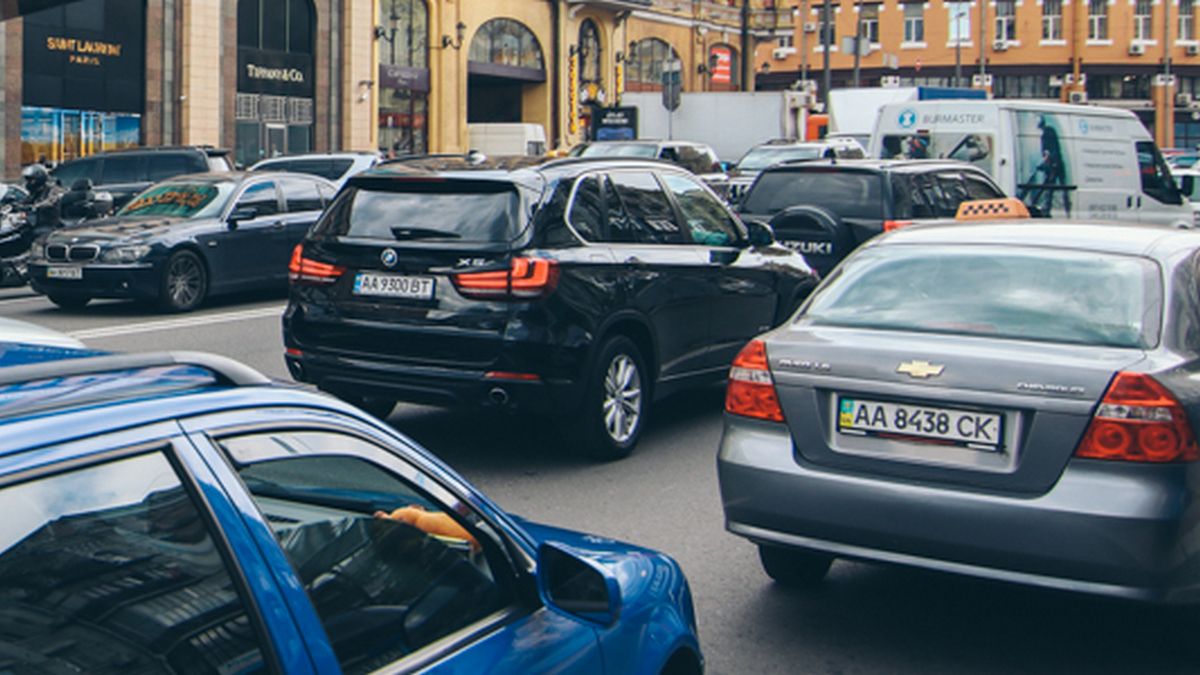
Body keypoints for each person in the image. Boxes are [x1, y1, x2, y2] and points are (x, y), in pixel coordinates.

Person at [19, 163, 65, 233]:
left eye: (31, 180)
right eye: (27, 180)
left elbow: (50, 201)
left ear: (39, 179)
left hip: (50, 224)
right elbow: (26, 201)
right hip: (37, 223)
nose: (28, 183)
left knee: (34, 232)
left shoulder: (52, 189)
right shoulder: (35, 191)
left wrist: (33, 207)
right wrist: (15, 205)